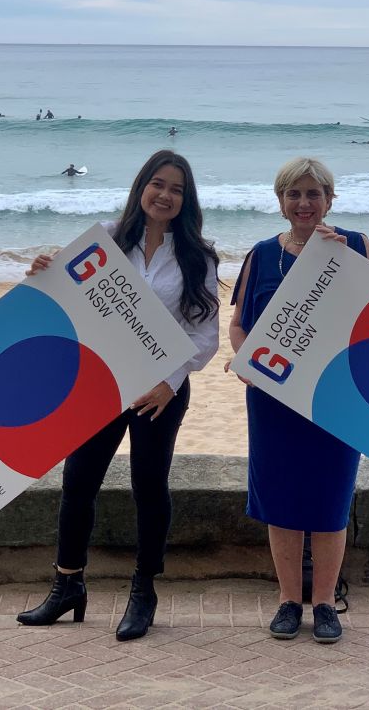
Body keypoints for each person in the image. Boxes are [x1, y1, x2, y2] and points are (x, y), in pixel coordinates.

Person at [17, 150, 220, 641]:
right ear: (141, 187)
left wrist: (168, 384)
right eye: (158, 184)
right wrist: (42, 268)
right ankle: (67, 586)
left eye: (177, 189)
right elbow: (63, 300)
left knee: (148, 486)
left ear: (186, 200)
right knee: (79, 481)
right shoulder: (106, 239)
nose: (165, 195)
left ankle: (143, 591)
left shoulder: (198, 255)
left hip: (160, 391)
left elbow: (204, 334)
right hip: (102, 382)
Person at [229, 157, 369, 645]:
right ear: (280, 202)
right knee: (282, 501)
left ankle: (326, 603)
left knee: (331, 502)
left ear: (330, 200)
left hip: (335, 395)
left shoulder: (354, 245)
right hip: (274, 399)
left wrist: (346, 267)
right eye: (294, 194)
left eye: (314, 194)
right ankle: (289, 601)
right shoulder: (260, 254)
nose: (304, 203)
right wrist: (246, 361)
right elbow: (238, 326)